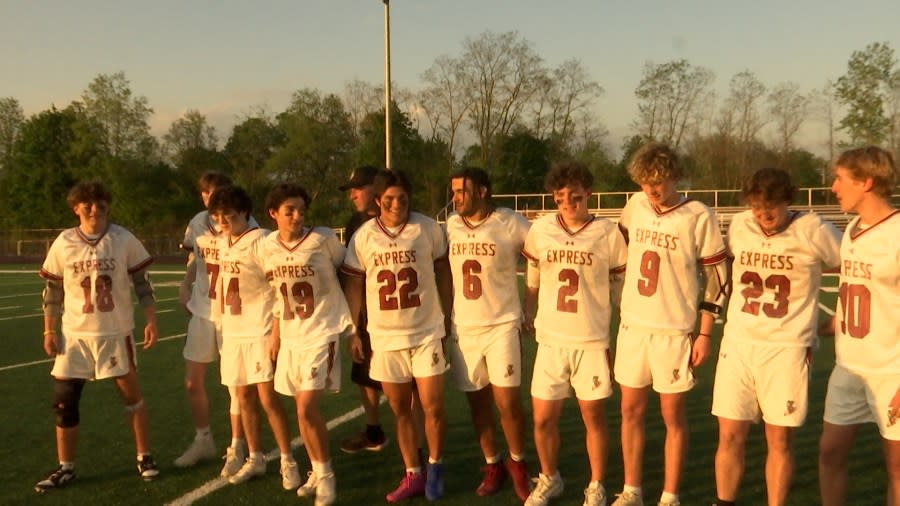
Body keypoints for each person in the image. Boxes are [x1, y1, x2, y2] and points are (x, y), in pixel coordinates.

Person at [712, 167, 841, 506]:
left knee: (779, 439)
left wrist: (841, 318)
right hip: (739, 342)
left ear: (787, 199)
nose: (763, 213)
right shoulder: (740, 225)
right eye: (756, 205)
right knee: (729, 435)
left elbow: (856, 267)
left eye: (770, 205)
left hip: (787, 347)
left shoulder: (812, 229)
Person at [612, 142, 729, 506]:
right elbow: (619, 253)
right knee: (630, 411)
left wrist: (705, 331)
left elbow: (717, 275)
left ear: (675, 176)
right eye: (646, 182)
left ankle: (670, 495)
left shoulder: (697, 214)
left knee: (672, 417)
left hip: (673, 330)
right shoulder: (634, 206)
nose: (652, 189)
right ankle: (632, 489)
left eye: (658, 181)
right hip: (633, 326)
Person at [35, 181, 160, 492]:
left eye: (100, 202)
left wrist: (151, 320)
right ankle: (66, 467)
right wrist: (48, 328)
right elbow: (52, 290)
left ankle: (144, 456)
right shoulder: (64, 242)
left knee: (131, 395)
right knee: (64, 401)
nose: (95, 208)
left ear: (108, 205)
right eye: (87, 203)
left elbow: (142, 283)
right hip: (75, 335)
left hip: (114, 331)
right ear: (76, 207)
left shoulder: (122, 238)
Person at [341, 169, 452, 502]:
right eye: (389, 199)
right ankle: (412, 473)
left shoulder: (427, 228)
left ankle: (434, 465)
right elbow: (355, 283)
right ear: (378, 201)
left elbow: (444, 272)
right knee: (400, 409)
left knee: (432, 406)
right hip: (385, 335)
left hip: (426, 330)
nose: (396, 205)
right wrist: (354, 330)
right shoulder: (364, 236)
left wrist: (447, 316)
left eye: (402, 198)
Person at [521, 161, 628, 506]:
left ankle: (596, 484)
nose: (568, 202)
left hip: (591, 340)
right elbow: (534, 272)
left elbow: (620, 287)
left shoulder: (608, 233)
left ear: (588, 193)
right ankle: (550, 477)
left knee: (593, 417)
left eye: (575, 195)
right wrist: (528, 305)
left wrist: (621, 331)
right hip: (551, 338)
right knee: (541, 419)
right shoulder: (541, 229)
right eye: (561, 196)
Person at [258, 183, 354, 505]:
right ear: (274, 214)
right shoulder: (267, 246)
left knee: (306, 407)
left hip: (321, 330)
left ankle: (326, 475)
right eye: (290, 211)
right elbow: (275, 293)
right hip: (290, 335)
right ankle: (316, 468)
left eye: (301, 210)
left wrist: (354, 325)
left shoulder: (323, 239)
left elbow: (350, 273)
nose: (297, 216)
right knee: (301, 411)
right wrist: (275, 334)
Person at [445, 167, 533, 500]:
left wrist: (530, 302)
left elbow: (542, 251)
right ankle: (492, 463)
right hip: (464, 326)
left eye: (461, 191)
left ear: (482, 191)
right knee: (477, 404)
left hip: (502, 324)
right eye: (453, 192)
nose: (455, 198)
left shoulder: (509, 222)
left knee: (508, 402)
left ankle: (518, 463)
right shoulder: (452, 225)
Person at [819, 146, 900, 506]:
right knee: (829, 453)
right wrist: (833, 322)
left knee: (897, 469)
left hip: (891, 370)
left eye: (840, 179)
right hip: (849, 365)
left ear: (866, 182)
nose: (833, 187)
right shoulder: (852, 228)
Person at [206, 185, 301, 490]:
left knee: (268, 398)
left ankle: (288, 459)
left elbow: (278, 287)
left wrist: (276, 332)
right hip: (233, 331)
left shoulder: (260, 241)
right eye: (218, 215)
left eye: (229, 215)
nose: (223, 220)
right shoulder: (222, 241)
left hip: (259, 328)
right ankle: (255, 456)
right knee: (243, 397)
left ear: (245, 213)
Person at [174, 171, 249, 476]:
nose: (211, 199)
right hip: (203, 308)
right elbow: (197, 260)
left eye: (217, 193)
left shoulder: (244, 224)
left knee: (235, 386)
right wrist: (185, 283)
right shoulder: (197, 223)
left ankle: (237, 445)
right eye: (206, 194)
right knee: (192, 381)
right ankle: (203, 439)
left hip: (233, 314)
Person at [337, 165, 390, 454]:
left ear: (376, 189)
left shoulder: (398, 217)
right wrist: (353, 323)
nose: (353, 195)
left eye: (358, 188)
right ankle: (373, 432)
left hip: (399, 315)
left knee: (404, 383)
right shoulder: (355, 223)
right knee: (363, 374)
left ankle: (418, 442)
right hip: (367, 312)